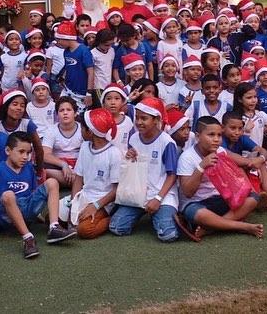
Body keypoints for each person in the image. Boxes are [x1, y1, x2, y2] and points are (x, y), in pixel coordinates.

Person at [0, 131, 77, 259]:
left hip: (27, 210)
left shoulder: (29, 167)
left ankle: (54, 228)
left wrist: (38, 216)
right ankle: (28, 238)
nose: (25, 156)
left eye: (28, 152)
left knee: (52, 182)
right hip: (7, 216)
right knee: (8, 195)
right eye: (21, 152)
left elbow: (33, 193)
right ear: (8, 151)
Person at [108, 97, 179, 242]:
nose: (139, 122)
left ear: (156, 120)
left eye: (144, 118)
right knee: (117, 227)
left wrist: (158, 199)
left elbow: (172, 176)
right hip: (137, 193)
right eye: (137, 118)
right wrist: (129, 156)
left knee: (168, 234)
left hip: (161, 195)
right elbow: (131, 164)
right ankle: (153, 215)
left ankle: (164, 215)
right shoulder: (133, 138)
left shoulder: (167, 142)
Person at [69, 108, 121, 239]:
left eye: (82, 128)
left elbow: (116, 190)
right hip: (84, 196)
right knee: (55, 219)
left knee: (85, 230)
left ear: (90, 132)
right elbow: (78, 178)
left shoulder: (114, 153)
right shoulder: (85, 147)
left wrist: (95, 206)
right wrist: (74, 203)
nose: (80, 131)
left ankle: (112, 219)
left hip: (104, 202)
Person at [42, 98, 84, 187]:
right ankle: (78, 183)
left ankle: (72, 182)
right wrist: (64, 165)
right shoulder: (51, 130)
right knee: (43, 169)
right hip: (58, 166)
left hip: (79, 164)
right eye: (61, 110)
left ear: (75, 113)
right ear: (57, 114)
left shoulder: (83, 129)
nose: (65, 113)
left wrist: (76, 168)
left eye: (69, 110)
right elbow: (45, 155)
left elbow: (88, 153)